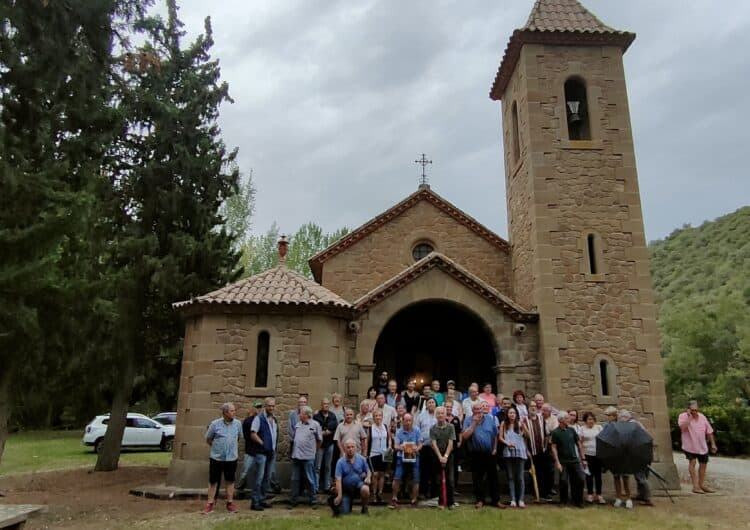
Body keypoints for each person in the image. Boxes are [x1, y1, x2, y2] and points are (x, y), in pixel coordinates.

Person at [202, 402, 242, 514]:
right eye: (232, 411)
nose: (234, 413)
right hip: (216, 458)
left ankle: (230, 503)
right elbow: (208, 439)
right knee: (213, 481)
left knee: (230, 480)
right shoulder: (215, 424)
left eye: (234, 410)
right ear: (225, 413)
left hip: (231, 458)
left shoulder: (238, 424)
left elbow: (238, 438)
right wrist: (218, 449)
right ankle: (210, 503)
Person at [462, 402, 503, 509]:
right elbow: (465, 437)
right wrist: (474, 424)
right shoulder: (468, 420)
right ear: (472, 410)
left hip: (489, 453)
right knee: (477, 478)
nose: (479, 411)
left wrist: (494, 448)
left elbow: (495, 435)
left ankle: (496, 500)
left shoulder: (489, 419)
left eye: (480, 408)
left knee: (493, 477)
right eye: (476, 409)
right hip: (475, 453)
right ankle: (480, 500)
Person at [678, 400, 718, 494]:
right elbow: (682, 428)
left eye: (696, 410)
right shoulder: (682, 416)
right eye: (692, 410)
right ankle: (695, 486)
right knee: (693, 462)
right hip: (689, 445)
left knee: (703, 464)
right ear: (688, 410)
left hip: (701, 445)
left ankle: (701, 484)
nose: (695, 412)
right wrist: (689, 417)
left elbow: (709, 431)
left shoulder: (702, 417)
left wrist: (713, 444)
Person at [248, 397, 279, 512]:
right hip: (261, 453)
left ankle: (262, 499)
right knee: (259, 477)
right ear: (265, 406)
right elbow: (253, 434)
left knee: (267, 477)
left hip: (271, 453)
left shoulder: (274, 419)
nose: (271, 408)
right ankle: (255, 502)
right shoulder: (258, 418)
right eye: (269, 406)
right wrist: (263, 444)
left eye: (273, 406)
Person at [550, 410, 586, 508]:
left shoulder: (572, 430)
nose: (569, 419)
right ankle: (563, 501)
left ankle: (578, 501)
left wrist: (583, 458)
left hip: (574, 460)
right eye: (566, 418)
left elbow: (579, 444)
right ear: (561, 420)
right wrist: (557, 462)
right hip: (563, 462)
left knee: (580, 479)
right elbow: (553, 447)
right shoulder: (555, 432)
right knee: (564, 481)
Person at [290, 406, 322, 507]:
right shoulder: (298, 424)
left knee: (310, 478)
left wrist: (314, 451)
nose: (299, 415)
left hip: (308, 457)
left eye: (301, 413)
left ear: (307, 415)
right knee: (295, 478)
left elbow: (319, 440)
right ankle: (294, 500)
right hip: (296, 456)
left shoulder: (315, 425)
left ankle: (313, 500)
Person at [620, 409, 653, 506]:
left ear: (625, 418)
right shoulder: (635, 424)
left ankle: (647, 498)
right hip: (642, 453)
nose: (620, 421)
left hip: (640, 455)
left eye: (621, 419)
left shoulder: (632, 425)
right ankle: (641, 495)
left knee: (641, 477)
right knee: (639, 476)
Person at [390, 413, 422, 508]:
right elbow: (395, 446)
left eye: (409, 420)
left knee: (416, 478)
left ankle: (414, 499)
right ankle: (394, 498)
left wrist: (417, 448)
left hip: (414, 457)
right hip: (402, 457)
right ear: (403, 421)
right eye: (406, 420)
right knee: (397, 477)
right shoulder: (399, 432)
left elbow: (420, 443)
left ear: (412, 421)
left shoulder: (417, 430)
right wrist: (402, 447)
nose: (407, 422)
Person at [333, 438, 372, 515]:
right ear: (344, 448)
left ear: (356, 448)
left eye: (352, 447)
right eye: (348, 447)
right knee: (344, 513)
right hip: (346, 490)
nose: (350, 449)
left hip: (358, 486)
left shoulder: (361, 459)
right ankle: (347, 504)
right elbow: (338, 480)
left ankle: (364, 508)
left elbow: (368, 471)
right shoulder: (340, 462)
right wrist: (339, 496)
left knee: (365, 489)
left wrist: (368, 477)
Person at [499, 406, 528, 508]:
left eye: (514, 413)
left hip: (520, 451)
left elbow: (527, 435)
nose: (512, 415)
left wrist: (524, 426)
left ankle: (521, 499)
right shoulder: (504, 424)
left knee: (520, 477)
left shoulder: (520, 423)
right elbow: (500, 437)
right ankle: (513, 499)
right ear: (507, 414)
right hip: (509, 451)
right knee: (510, 477)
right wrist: (507, 443)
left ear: (516, 414)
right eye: (510, 413)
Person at [524, 401, 552, 501]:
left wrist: (545, 446)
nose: (533, 408)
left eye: (535, 406)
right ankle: (536, 493)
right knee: (536, 473)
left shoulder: (541, 418)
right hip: (532, 451)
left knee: (546, 472)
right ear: (528, 409)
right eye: (531, 406)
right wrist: (527, 450)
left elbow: (547, 434)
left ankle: (546, 493)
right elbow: (524, 438)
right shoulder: (524, 420)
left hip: (542, 450)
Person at [430, 406, 456, 509]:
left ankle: (451, 503)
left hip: (448, 455)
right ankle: (441, 502)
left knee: (450, 480)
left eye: (442, 413)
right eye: (439, 413)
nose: (441, 415)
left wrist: (445, 456)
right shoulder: (432, 428)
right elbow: (433, 444)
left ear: (445, 415)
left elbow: (451, 443)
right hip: (437, 455)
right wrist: (440, 457)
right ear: (436, 415)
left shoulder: (451, 427)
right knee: (438, 480)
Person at [579, 411, 605, 504]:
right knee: (589, 475)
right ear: (585, 420)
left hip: (597, 455)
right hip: (587, 455)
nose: (591, 421)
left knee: (598, 476)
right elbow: (580, 444)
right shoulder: (582, 429)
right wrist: (583, 458)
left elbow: (603, 441)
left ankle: (599, 495)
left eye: (592, 419)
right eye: (589, 419)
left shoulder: (599, 428)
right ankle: (590, 494)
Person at [313, 397, 338, 493]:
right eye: (324, 404)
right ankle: (316, 487)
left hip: (329, 444)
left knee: (328, 466)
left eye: (327, 404)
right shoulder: (316, 416)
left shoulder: (332, 416)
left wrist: (325, 430)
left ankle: (327, 486)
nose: (326, 405)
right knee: (317, 466)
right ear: (321, 405)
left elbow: (333, 426)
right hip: (319, 445)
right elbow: (317, 427)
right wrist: (325, 431)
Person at [237, 401, 263, 493]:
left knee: (262, 472)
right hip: (250, 450)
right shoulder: (248, 421)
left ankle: (261, 490)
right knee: (245, 471)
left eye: (260, 407)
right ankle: (240, 488)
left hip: (261, 450)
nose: (258, 409)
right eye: (257, 407)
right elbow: (247, 436)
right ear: (253, 409)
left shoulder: (263, 420)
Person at [368, 408, 391, 504]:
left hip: (384, 453)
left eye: (379, 416)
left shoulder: (385, 426)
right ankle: (373, 494)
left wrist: (389, 447)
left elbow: (389, 438)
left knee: (382, 474)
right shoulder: (370, 428)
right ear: (373, 417)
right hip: (373, 453)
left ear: (382, 417)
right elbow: (367, 441)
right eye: (376, 416)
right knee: (375, 474)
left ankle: (380, 493)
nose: (378, 417)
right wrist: (366, 453)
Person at [417, 397, 438, 499]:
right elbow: (417, 430)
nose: (431, 404)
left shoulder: (439, 415)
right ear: (426, 404)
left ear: (435, 404)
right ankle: (423, 492)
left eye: (433, 402)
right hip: (424, 447)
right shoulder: (421, 416)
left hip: (436, 448)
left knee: (434, 471)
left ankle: (434, 493)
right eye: (429, 402)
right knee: (424, 471)